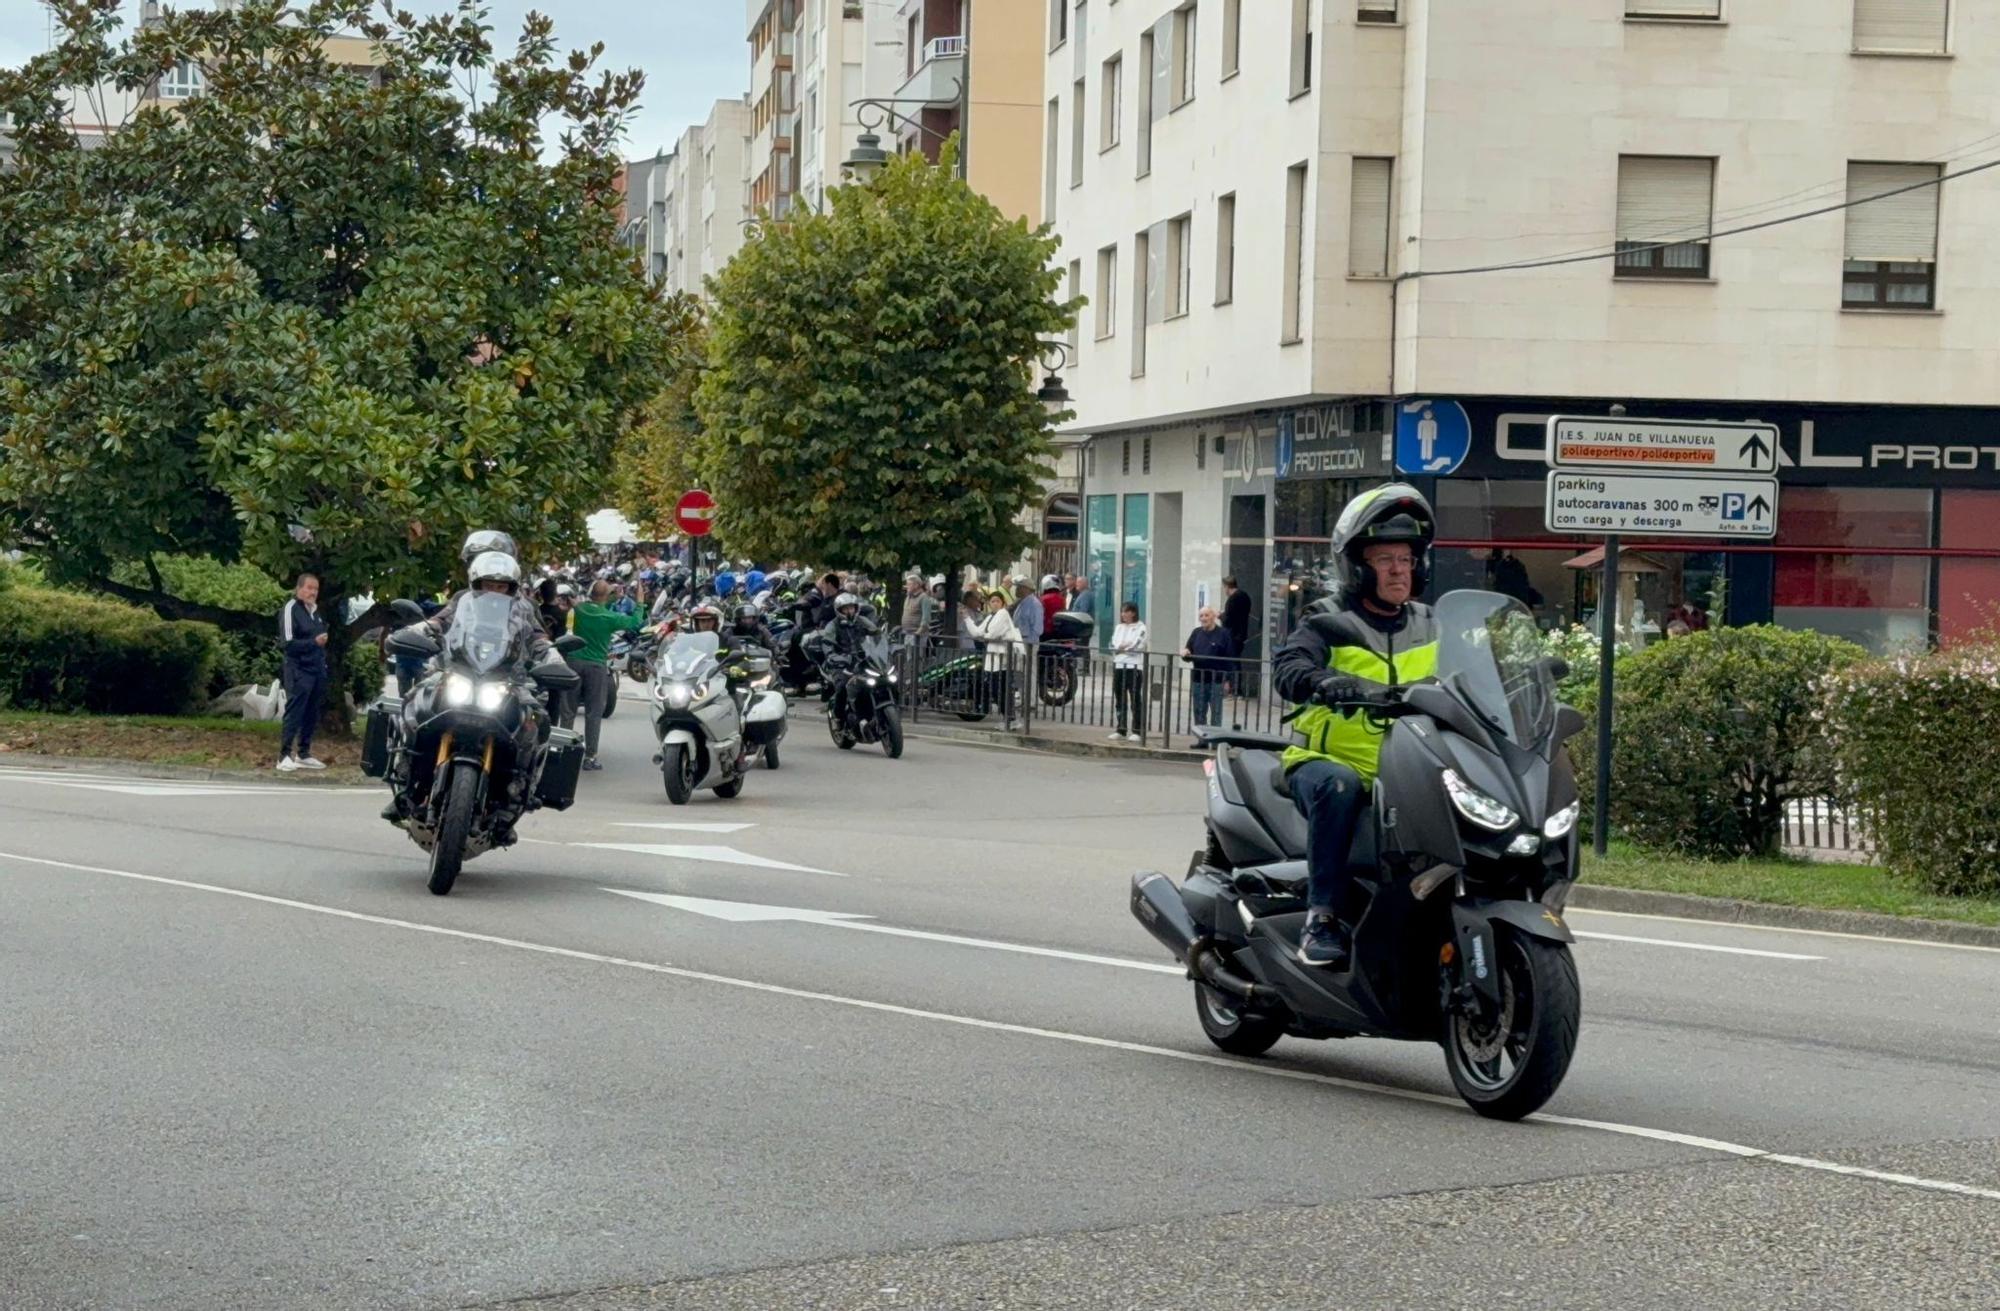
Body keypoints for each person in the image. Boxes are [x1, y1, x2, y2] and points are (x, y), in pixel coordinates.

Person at [1272, 483, 1440, 971]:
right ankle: (1321, 917)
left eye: (1406, 559)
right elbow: (1289, 668)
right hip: (1327, 763)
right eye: (1385, 558)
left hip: (1411, 766)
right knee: (1340, 786)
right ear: (1357, 566)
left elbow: (1476, 672)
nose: (1397, 570)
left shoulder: (1434, 623)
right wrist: (1324, 680)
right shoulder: (1325, 620)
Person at [567, 579, 646, 771]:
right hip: (596, 666)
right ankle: (590, 757)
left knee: (567, 710)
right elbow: (636, 622)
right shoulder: (610, 618)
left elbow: (587, 606)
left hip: (573, 663)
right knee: (594, 713)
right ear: (606, 596)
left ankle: (564, 749)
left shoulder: (581, 609)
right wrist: (640, 602)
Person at [276, 572, 330, 772]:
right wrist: (313, 643)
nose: (312, 592)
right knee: (295, 711)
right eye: (308, 588)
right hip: (298, 669)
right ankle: (284, 755)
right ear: (299, 589)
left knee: (311, 712)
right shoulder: (291, 609)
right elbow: (288, 643)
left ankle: (304, 753)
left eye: (315, 589)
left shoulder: (315, 612)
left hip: (316, 669)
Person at [968, 590, 1022, 718]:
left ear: (1002, 603)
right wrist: (967, 619)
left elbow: (993, 634)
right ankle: (1008, 718)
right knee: (997, 690)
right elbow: (976, 633)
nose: (995, 604)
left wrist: (984, 637)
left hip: (1001, 659)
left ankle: (1010, 718)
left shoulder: (1003, 614)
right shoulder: (990, 617)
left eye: (998, 601)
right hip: (992, 660)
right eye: (992, 601)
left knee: (1000, 690)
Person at [1182, 607, 1238, 729]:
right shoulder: (1196, 633)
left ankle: (1215, 742)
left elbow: (1229, 658)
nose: (1203, 618)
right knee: (1199, 711)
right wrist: (1185, 653)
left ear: (1213, 617)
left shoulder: (1223, 634)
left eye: (1206, 615)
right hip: (1198, 679)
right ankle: (1202, 739)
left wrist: (1228, 680)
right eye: (1201, 616)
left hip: (1217, 680)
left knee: (1216, 712)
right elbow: (1188, 653)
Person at [1110, 602, 1147, 741]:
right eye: (1122, 612)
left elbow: (1137, 645)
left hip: (1134, 666)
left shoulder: (1141, 627)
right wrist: (1120, 647)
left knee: (1135, 698)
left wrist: (1123, 648)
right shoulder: (1119, 627)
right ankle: (1121, 728)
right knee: (1120, 698)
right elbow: (1113, 644)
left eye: (1126, 611)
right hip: (1119, 665)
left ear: (1133, 613)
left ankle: (1137, 730)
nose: (1123, 614)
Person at [1221, 576, 1253, 698]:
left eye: (1224, 587)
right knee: (1234, 661)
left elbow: (1228, 619)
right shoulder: (1244, 596)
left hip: (1232, 635)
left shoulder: (1232, 599)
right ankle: (1234, 689)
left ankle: (1235, 690)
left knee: (1232, 662)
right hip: (1241, 633)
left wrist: (1220, 616)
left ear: (1227, 587)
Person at [1011, 578, 1045, 648]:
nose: (1016, 589)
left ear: (1026, 589)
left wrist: (1030, 646)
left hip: (1027, 643)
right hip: (1019, 641)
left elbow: (1037, 628)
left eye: (1019, 587)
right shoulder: (1021, 602)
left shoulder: (1034, 604)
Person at [900, 573, 935, 637]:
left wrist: (918, 633)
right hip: (906, 633)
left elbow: (926, 619)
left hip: (918, 635)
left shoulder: (924, 598)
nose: (906, 586)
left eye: (909, 584)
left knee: (918, 647)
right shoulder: (908, 597)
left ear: (916, 585)